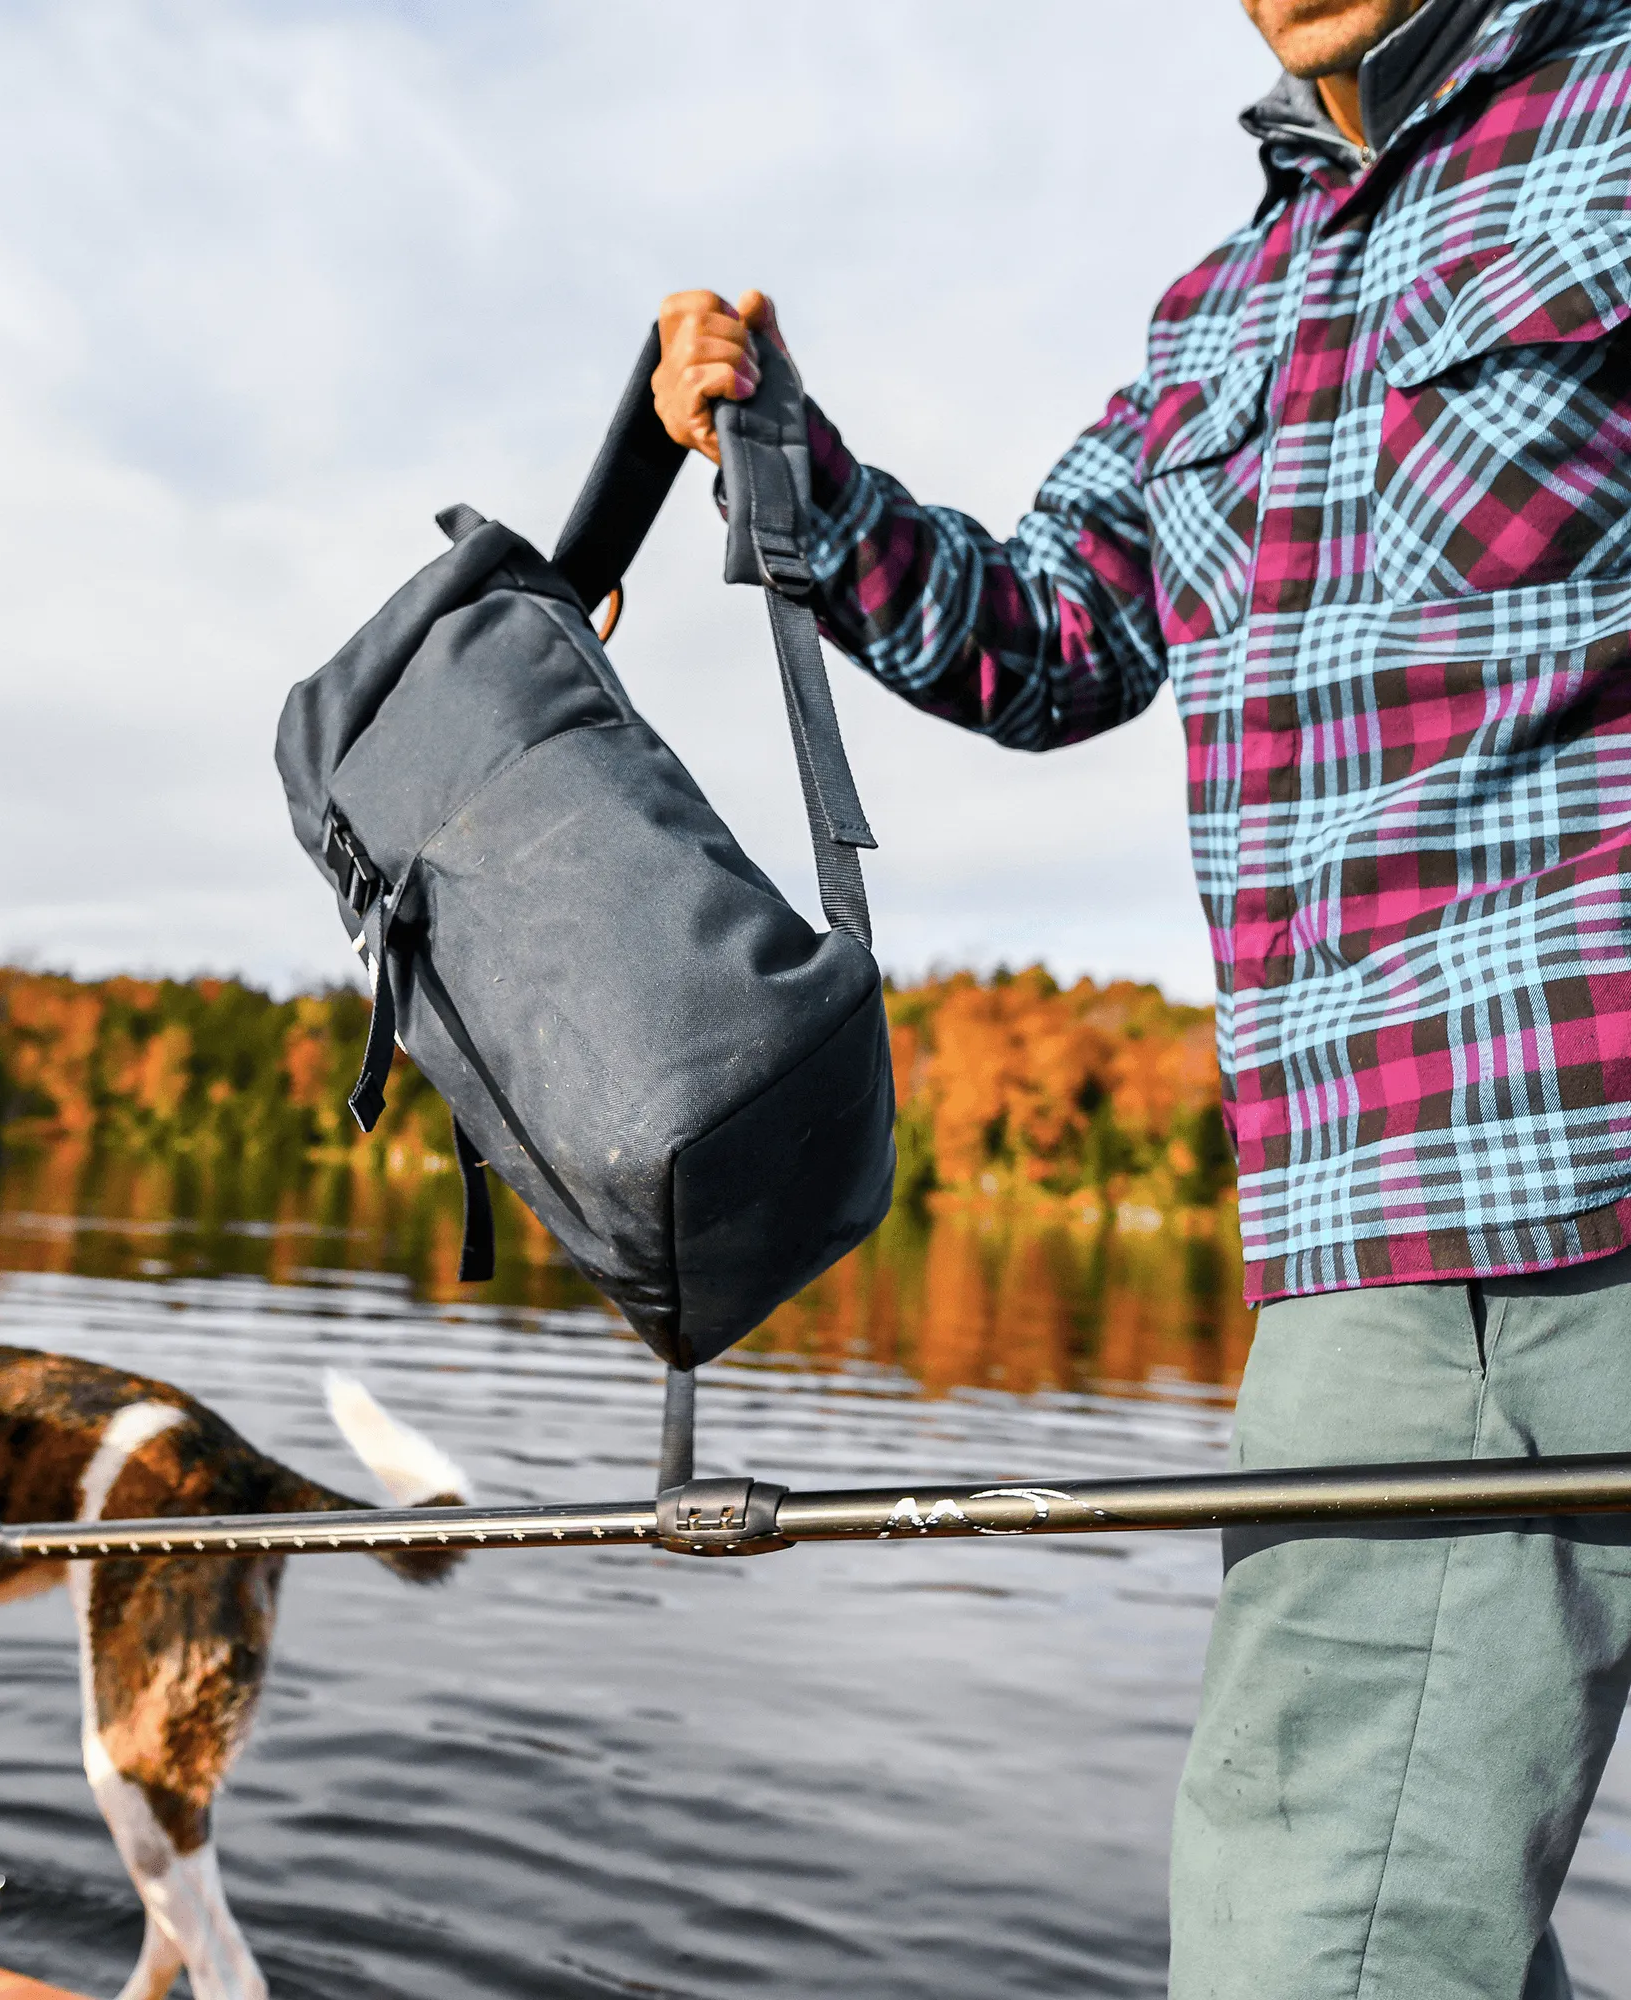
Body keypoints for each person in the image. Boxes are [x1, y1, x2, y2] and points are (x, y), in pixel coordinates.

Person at [652, 1, 1631, 1994]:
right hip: (1396, 1229)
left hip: (1551, 1164)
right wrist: (787, 459)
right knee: (1343, 1917)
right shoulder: (1218, 311)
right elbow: (1038, 638)